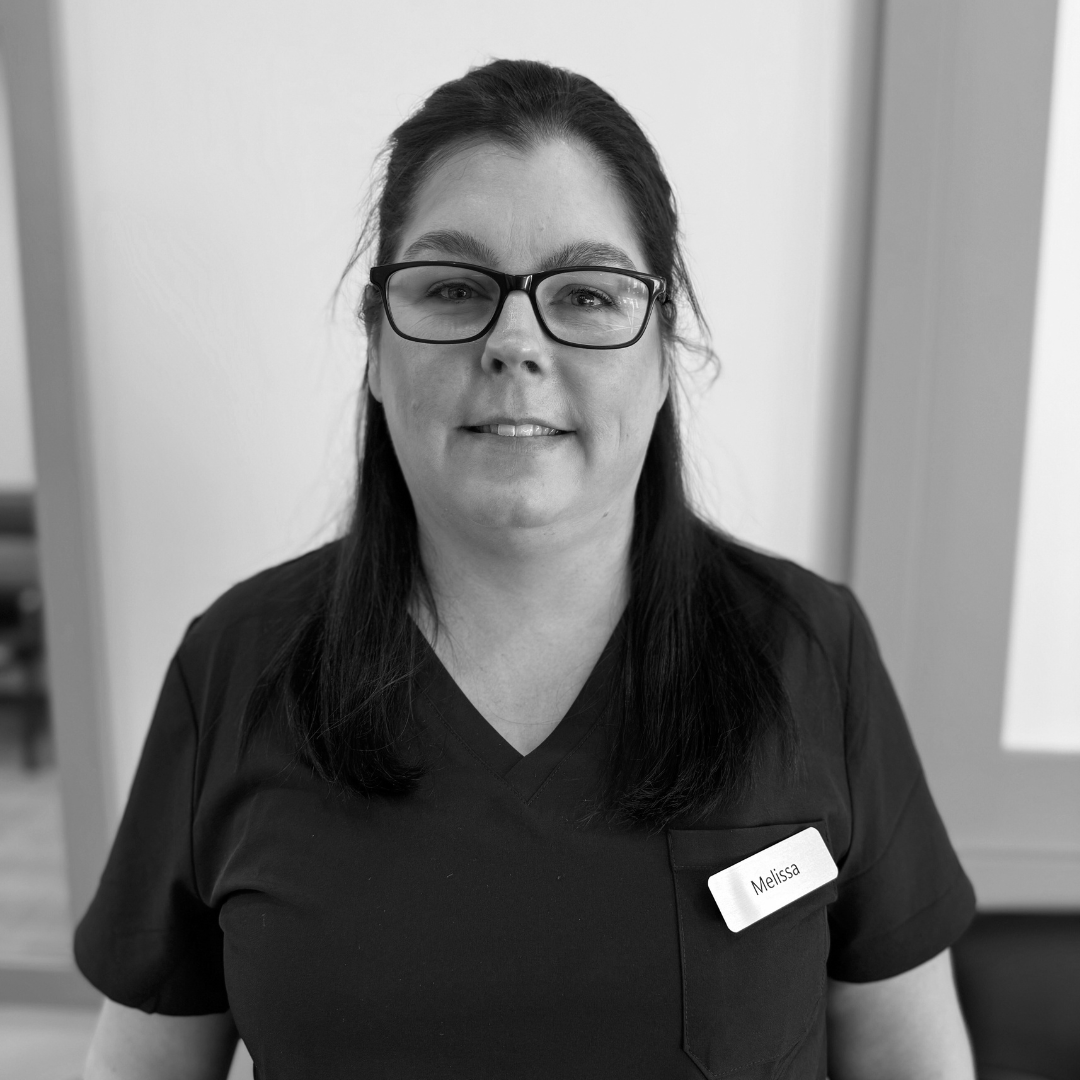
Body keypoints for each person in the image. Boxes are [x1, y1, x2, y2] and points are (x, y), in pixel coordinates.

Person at [76, 59, 977, 1080]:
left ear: (663, 350)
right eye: (454, 289)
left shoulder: (813, 652)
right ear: (375, 348)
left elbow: (913, 1060)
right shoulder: (236, 665)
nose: (514, 343)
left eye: (586, 294)